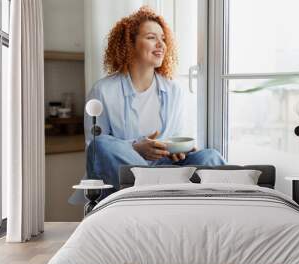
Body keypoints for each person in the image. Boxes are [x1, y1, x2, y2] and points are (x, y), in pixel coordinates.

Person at [84, 6, 226, 192]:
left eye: (163, 39)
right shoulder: (103, 90)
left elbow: (174, 138)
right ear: (130, 44)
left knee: (210, 156)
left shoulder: (173, 90)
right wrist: (136, 148)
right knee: (100, 144)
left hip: (168, 169)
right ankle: (161, 191)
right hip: (127, 174)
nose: (161, 44)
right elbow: (96, 151)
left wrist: (178, 151)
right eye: (151, 37)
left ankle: (159, 191)